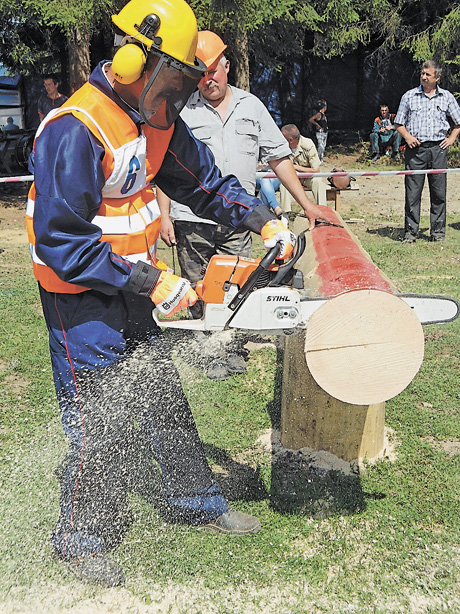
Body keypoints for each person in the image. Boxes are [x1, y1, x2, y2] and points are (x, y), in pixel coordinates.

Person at [25, 0, 309, 588]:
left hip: (134, 288)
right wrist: (154, 279)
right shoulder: (75, 129)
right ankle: (82, 538)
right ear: (136, 60)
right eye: (176, 80)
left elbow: (204, 181)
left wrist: (265, 220)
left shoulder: (155, 122)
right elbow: (60, 242)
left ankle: (192, 502)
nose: (180, 96)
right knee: (97, 420)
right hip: (79, 297)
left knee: (162, 398)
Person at [158, 31, 335, 378]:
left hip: (241, 219)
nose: (209, 79)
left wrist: (308, 205)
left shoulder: (251, 106)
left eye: (215, 70)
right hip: (191, 220)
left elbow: (279, 158)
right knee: (199, 288)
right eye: (202, 73)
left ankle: (232, 346)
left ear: (227, 66)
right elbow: (164, 167)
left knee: (238, 283)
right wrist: (164, 215)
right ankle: (209, 352)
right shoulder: (182, 111)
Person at [394, 59, 460, 243]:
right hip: (416, 151)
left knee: (439, 193)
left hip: (438, 149)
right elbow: (398, 123)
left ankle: (437, 233)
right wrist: (407, 137)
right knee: (412, 194)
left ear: (437, 77)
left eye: (427, 74)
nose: (423, 77)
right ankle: (410, 233)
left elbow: (458, 122)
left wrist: (451, 138)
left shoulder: (446, 97)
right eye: (422, 73)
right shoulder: (409, 96)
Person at [278, 124, 328, 213]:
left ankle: (323, 212)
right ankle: (286, 215)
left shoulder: (308, 145)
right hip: (293, 178)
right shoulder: (282, 147)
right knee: (284, 186)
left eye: (282, 137)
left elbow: (316, 170)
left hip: (308, 178)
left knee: (318, 182)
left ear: (290, 140)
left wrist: (296, 167)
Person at [308, 99, 328, 163]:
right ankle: (318, 159)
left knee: (323, 146)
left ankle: (321, 158)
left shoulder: (323, 115)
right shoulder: (319, 114)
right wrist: (317, 124)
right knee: (320, 146)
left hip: (325, 132)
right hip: (320, 132)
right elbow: (311, 119)